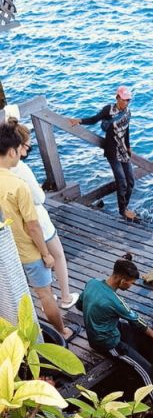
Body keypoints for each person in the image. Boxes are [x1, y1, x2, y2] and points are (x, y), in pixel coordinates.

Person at [0, 121, 79, 342]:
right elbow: (33, 226)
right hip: (27, 250)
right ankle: (62, 331)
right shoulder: (17, 184)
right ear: (13, 150)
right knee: (45, 295)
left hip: (6, 250)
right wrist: (45, 254)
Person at [76, 253, 153, 417]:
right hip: (107, 342)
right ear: (122, 279)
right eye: (131, 282)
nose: (131, 285)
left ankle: (137, 365)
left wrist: (99, 318)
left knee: (140, 336)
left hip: (103, 328)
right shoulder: (115, 301)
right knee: (147, 369)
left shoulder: (92, 283)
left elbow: (79, 305)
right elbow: (136, 320)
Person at [69, 86, 139, 222]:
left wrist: (129, 147)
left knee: (130, 181)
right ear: (117, 98)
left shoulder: (127, 112)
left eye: (128, 100)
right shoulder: (109, 110)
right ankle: (122, 210)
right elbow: (95, 119)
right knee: (122, 182)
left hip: (123, 150)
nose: (126, 103)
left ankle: (125, 206)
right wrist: (79, 121)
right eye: (124, 100)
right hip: (112, 151)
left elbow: (126, 129)